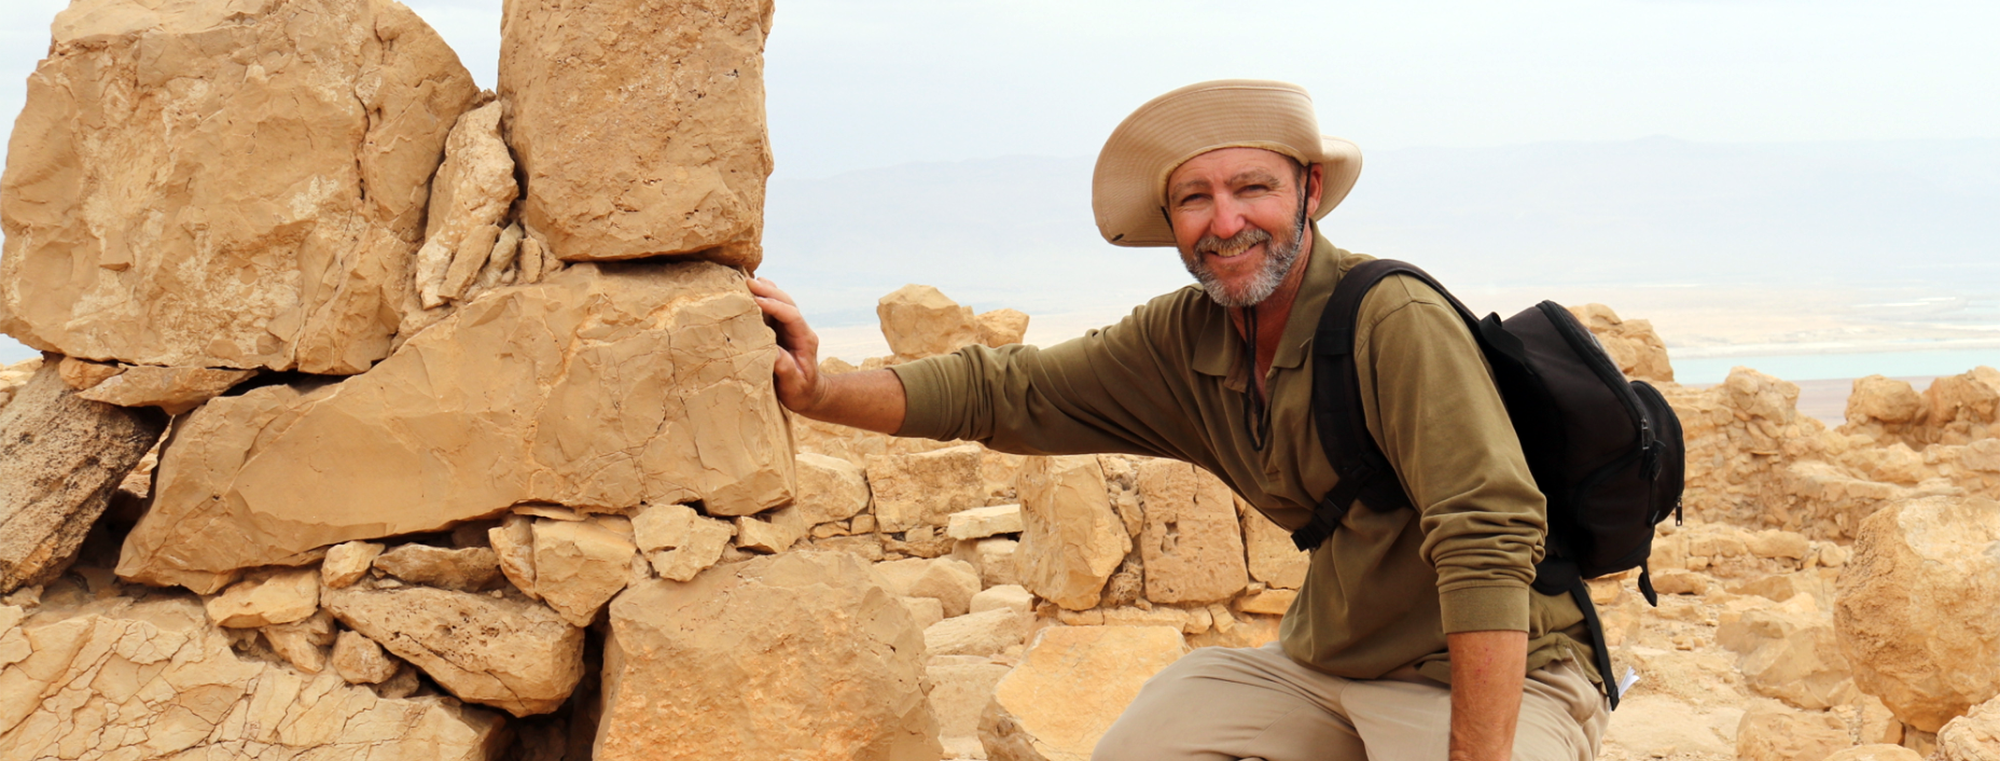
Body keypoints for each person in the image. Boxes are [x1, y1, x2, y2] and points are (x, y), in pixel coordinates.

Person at [750, 80, 1609, 761]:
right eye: (1195, 198)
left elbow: (1489, 531)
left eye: (1251, 188)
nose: (1226, 221)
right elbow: (1007, 391)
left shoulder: (1391, 318)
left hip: (1500, 676)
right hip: (1329, 668)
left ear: (1309, 190)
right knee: (1146, 742)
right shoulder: (1183, 338)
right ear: (1170, 221)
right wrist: (821, 389)